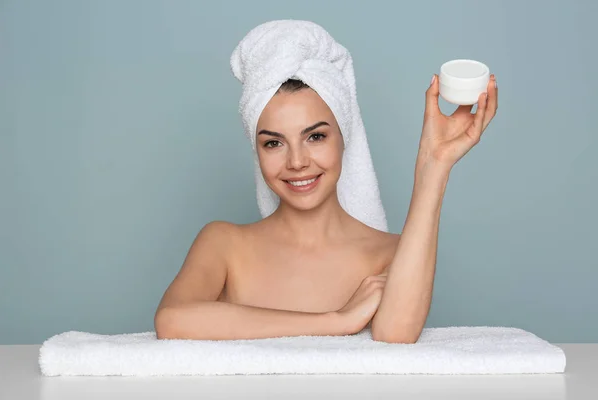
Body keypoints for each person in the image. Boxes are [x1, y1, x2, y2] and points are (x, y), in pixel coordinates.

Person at [154, 23, 498, 343]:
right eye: (273, 142)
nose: (297, 161)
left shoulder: (392, 252)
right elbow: (172, 320)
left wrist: (434, 165)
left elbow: (397, 334)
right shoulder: (224, 244)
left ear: (343, 137)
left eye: (315, 136)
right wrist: (337, 320)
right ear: (256, 149)